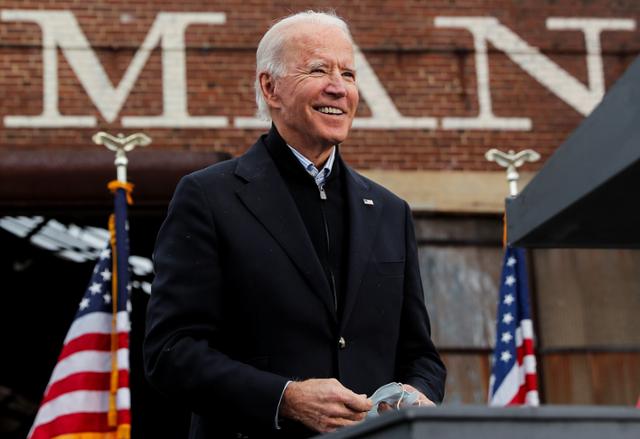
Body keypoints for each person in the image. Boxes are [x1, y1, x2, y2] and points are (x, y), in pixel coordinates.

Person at [143, 10, 446, 439]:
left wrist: (419, 393)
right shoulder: (208, 198)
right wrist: (285, 398)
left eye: (348, 73)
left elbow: (420, 355)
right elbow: (170, 353)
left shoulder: (390, 211)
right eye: (318, 69)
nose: (338, 88)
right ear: (271, 88)